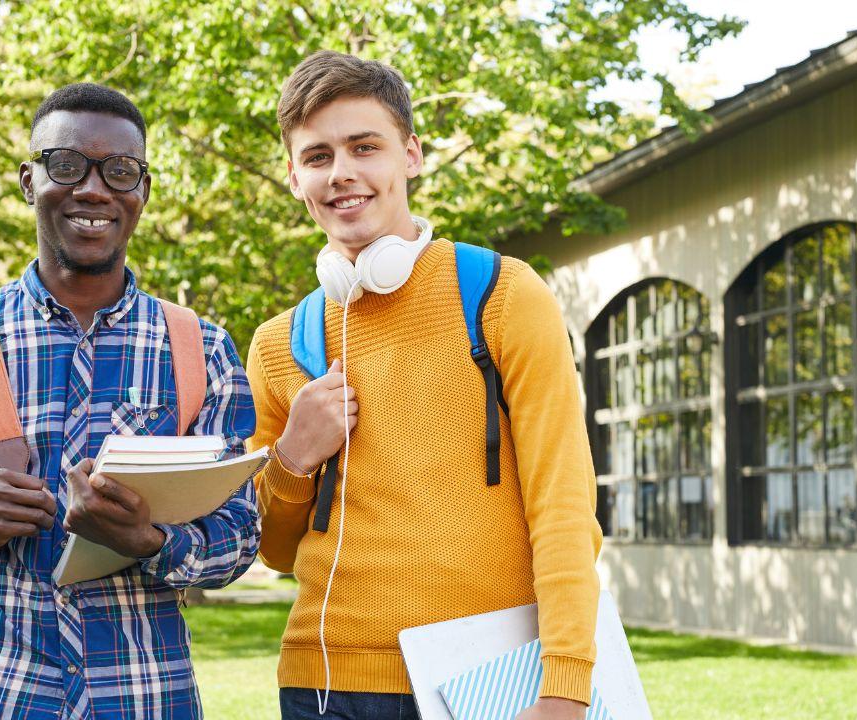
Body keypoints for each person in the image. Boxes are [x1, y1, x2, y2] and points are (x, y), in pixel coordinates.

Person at [0, 83, 259, 720]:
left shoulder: (203, 349)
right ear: (30, 180)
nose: (93, 190)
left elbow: (240, 534)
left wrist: (150, 539)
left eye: (120, 171)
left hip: (145, 696)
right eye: (66, 165)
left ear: (142, 192)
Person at [246, 51, 603, 720]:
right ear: (294, 177)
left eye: (364, 147)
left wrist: (565, 686)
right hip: (324, 683)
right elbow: (275, 549)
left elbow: (563, 505)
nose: (342, 172)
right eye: (318, 156)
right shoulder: (277, 344)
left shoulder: (502, 296)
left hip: (487, 675)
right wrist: (293, 458)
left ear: (410, 154)